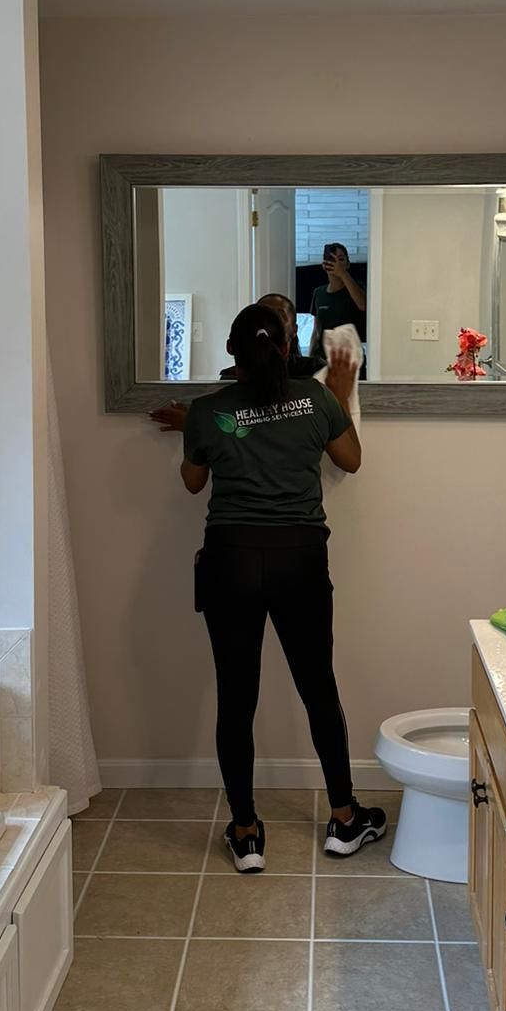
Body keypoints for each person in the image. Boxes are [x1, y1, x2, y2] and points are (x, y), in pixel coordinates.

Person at [179, 301, 382, 872]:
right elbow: (352, 460)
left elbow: (193, 483)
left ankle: (246, 835)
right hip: (299, 560)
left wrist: (205, 436)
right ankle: (344, 820)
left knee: (235, 697)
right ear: (286, 349)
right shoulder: (315, 400)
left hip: (231, 561)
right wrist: (339, 395)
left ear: (231, 354)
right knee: (319, 688)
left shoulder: (207, 410)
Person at [148, 292, 316, 434]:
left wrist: (196, 424)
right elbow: (234, 418)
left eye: (278, 315)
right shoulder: (229, 376)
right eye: (262, 315)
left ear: (294, 330)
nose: (268, 321)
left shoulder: (314, 371)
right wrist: (198, 419)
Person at [310, 243, 366, 363]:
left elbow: (363, 305)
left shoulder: (357, 289)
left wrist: (342, 273)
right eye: (331, 259)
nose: (336, 264)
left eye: (340, 259)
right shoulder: (318, 292)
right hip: (324, 360)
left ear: (347, 264)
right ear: (324, 264)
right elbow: (316, 330)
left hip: (351, 360)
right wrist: (310, 359)